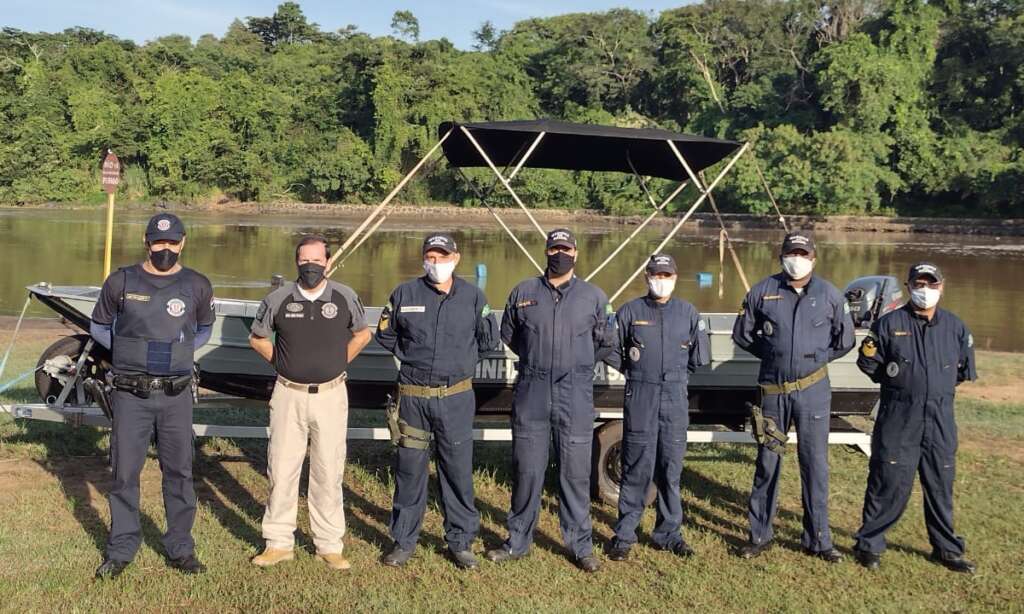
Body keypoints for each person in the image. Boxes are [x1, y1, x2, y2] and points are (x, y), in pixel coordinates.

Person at [90, 213, 215, 578]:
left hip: (176, 396)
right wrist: (130, 352)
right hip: (131, 394)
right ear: (147, 242)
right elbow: (99, 325)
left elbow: (204, 329)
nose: (165, 249)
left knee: (179, 472)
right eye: (158, 242)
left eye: (172, 242)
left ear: (183, 242)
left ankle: (180, 548)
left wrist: (183, 352)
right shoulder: (121, 280)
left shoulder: (197, 285)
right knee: (124, 473)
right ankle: (121, 549)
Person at [487, 228, 615, 573]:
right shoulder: (523, 292)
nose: (560, 253)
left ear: (576, 253)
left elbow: (606, 341)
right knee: (527, 469)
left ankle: (580, 546)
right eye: (555, 248)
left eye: (566, 248)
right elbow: (510, 335)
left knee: (574, 473)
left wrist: (576, 361)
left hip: (574, 392)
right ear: (546, 251)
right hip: (533, 388)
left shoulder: (594, 296)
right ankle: (517, 541)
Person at [374, 233, 499, 570]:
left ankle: (460, 542)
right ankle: (403, 541)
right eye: (431, 256)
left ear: (456, 258)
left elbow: (488, 341)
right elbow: (385, 334)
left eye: (443, 256)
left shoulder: (473, 297)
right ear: (423, 259)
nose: (436, 262)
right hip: (413, 399)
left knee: (457, 472)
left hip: (456, 398)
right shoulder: (404, 293)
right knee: (409, 471)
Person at [248, 235, 371, 571]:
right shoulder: (278, 298)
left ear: (328, 262)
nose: (311, 265)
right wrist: (281, 363)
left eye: (317, 259)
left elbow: (363, 333)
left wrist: (339, 361)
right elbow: (257, 338)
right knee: (282, 470)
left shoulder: (345, 297)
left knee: (328, 472)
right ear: (296, 262)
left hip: (331, 395)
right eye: (304, 260)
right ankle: (278, 543)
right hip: (288, 394)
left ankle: (329, 545)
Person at [731, 231, 855, 562]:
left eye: (802, 254)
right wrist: (773, 353)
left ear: (813, 258)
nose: (796, 259)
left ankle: (819, 540)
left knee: (814, 465)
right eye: (791, 253)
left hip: (814, 392)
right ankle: (759, 536)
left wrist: (814, 358)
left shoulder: (829, 295)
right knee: (768, 462)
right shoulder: (762, 291)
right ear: (781, 256)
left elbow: (845, 341)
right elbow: (742, 335)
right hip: (773, 391)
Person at [852, 263, 977, 573]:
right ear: (908, 287)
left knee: (940, 484)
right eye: (919, 284)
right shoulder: (888, 324)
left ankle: (947, 549)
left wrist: (932, 388)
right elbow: (868, 363)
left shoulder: (955, 327)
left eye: (931, 284)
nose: (925, 290)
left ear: (941, 287)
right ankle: (869, 545)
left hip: (940, 419)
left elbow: (961, 371)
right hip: (899, 416)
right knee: (888, 481)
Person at [604, 254, 710, 562]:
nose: (660, 280)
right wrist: (635, 373)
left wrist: (673, 378)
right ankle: (625, 534)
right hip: (641, 394)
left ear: (675, 278)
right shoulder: (630, 311)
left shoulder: (688, 313)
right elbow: (611, 349)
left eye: (666, 275)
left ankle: (669, 533)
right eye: (655, 275)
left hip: (675, 396)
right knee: (635, 466)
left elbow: (697, 358)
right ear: (646, 277)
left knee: (670, 468)